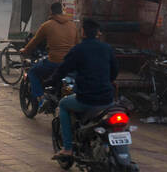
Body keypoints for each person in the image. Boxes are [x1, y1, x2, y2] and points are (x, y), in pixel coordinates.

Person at [47, 18, 118, 160]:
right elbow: (114, 72)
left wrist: (50, 80)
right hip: (107, 99)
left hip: (86, 99)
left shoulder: (78, 49)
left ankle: (67, 149)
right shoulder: (107, 48)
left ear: (83, 33)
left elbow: (63, 69)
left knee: (63, 104)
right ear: (97, 33)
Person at [22, 1, 80, 110]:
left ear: (51, 12)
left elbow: (34, 41)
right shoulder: (72, 25)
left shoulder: (47, 25)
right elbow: (77, 45)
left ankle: (41, 98)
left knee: (32, 72)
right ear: (62, 12)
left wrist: (25, 50)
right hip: (70, 63)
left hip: (54, 61)